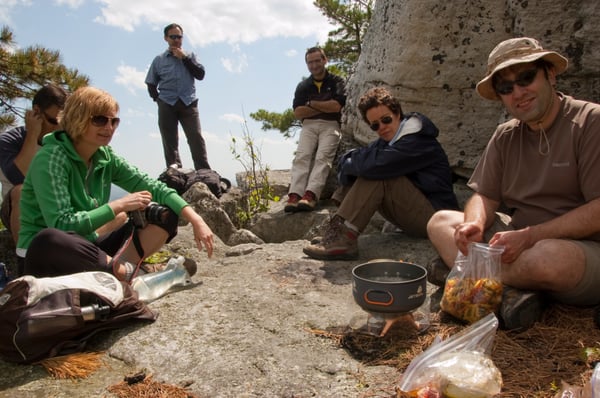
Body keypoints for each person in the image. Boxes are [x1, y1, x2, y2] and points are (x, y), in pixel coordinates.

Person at [426, 37, 600, 331]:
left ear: (550, 74)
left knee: (549, 260)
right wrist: (476, 225)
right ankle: (511, 291)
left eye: (526, 78)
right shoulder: (505, 135)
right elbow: (486, 196)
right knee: (440, 221)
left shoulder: (590, 121)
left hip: (581, 250)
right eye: (506, 88)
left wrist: (530, 237)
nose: (518, 92)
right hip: (518, 244)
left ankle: (470, 277)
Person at [16, 86, 214, 282]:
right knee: (50, 238)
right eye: (100, 120)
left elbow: (155, 187)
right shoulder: (51, 158)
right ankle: (129, 273)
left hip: (89, 247)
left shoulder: (104, 157)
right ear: (78, 118)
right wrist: (119, 205)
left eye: (114, 121)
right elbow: (62, 224)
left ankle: (121, 271)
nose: (109, 127)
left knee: (164, 214)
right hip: (47, 258)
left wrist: (197, 220)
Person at [303, 86, 458, 260]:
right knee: (367, 168)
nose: (382, 127)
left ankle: (343, 238)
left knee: (378, 173)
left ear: (398, 113)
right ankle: (338, 231)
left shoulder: (418, 140)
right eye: (375, 125)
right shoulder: (386, 141)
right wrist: (350, 165)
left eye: (386, 119)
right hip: (412, 215)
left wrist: (353, 163)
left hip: (437, 220)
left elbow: (372, 165)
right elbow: (347, 162)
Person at [0, 84, 68, 245]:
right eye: (53, 120)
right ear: (36, 112)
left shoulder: (64, 142)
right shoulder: (9, 141)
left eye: (63, 122)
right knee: (22, 191)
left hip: (55, 210)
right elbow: (21, 177)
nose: (59, 127)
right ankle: (25, 258)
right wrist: (33, 134)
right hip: (19, 210)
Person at [285, 47, 346, 213]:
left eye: (317, 61)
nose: (314, 65)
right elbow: (298, 112)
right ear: (307, 65)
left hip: (331, 125)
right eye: (310, 62)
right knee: (302, 157)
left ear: (325, 60)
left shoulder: (337, 81)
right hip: (309, 125)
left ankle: (311, 195)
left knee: (323, 158)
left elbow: (336, 106)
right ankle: (295, 195)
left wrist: (311, 104)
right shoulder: (303, 86)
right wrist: (324, 106)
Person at [145, 23, 210, 171]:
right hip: (167, 103)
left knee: (196, 138)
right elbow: (150, 83)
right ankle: (175, 172)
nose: (176, 40)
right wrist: (158, 100)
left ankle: (204, 171)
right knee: (170, 141)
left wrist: (184, 58)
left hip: (188, 103)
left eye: (179, 37)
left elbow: (200, 75)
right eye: (172, 37)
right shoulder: (159, 60)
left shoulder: (190, 56)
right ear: (166, 38)